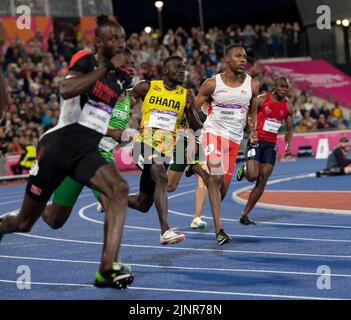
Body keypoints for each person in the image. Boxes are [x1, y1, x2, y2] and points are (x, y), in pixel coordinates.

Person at [0, 15, 134, 289]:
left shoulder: (121, 79)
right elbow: (65, 89)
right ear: (98, 43)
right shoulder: (86, 59)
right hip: (59, 145)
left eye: (122, 38)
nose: (120, 43)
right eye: (113, 38)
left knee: (119, 189)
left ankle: (106, 270)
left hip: (86, 150)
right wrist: (105, 67)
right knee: (34, 222)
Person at [40, 48, 136, 278]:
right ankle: (36, 207)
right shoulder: (99, 89)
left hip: (102, 157)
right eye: (127, 63)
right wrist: (113, 131)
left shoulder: (129, 96)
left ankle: (110, 265)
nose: (132, 67)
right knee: (55, 220)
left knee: (113, 199)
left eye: (133, 63)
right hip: (77, 156)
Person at [190, 44, 259, 244]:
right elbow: (193, 108)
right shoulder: (212, 84)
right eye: (238, 56)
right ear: (227, 59)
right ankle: (219, 230)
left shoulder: (252, 85)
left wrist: (252, 130)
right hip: (213, 133)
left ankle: (196, 168)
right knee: (217, 176)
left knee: (221, 191)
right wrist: (190, 131)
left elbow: (252, 112)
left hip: (235, 139)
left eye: (245, 56)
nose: (243, 59)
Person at [128, 56, 201, 244]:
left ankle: (111, 196)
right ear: (165, 70)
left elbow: (195, 126)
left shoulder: (186, 95)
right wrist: (125, 108)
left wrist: (193, 113)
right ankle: (165, 231)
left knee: (142, 203)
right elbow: (126, 102)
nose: (181, 71)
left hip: (164, 150)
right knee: (161, 174)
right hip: (142, 144)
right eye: (177, 67)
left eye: (183, 68)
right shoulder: (147, 87)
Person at [236, 76, 293, 225]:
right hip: (257, 141)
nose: (283, 90)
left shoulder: (288, 106)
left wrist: (287, 146)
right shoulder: (261, 99)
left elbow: (288, 129)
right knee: (252, 176)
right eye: (281, 86)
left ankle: (245, 214)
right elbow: (250, 115)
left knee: (262, 180)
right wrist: (252, 132)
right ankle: (245, 168)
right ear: (274, 86)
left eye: (286, 87)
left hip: (271, 145)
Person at [167, 110, 208, 229]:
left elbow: (198, 127)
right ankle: (190, 167)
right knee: (170, 187)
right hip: (180, 144)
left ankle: (196, 218)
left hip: (196, 143)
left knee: (202, 180)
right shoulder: (173, 105)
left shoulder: (193, 109)